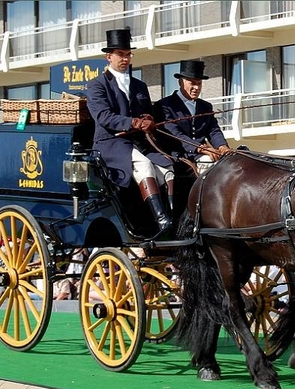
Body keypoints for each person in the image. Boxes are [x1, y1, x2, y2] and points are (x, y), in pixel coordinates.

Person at [86, 28, 172, 235]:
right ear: (109, 57)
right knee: (143, 165)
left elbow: (147, 113)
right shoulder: (97, 85)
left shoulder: (139, 85)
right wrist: (134, 122)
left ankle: (174, 216)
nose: (125, 59)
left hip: (140, 143)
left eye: (128, 54)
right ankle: (162, 221)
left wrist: (148, 119)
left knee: (168, 168)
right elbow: (104, 117)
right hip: (111, 144)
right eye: (120, 55)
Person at [153, 59, 232, 177]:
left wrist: (222, 147)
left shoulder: (205, 106)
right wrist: (200, 148)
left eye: (199, 83)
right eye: (192, 83)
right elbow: (175, 134)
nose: (196, 88)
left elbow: (213, 130)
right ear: (180, 82)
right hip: (178, 156)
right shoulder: (165, 105)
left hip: (204, 154)